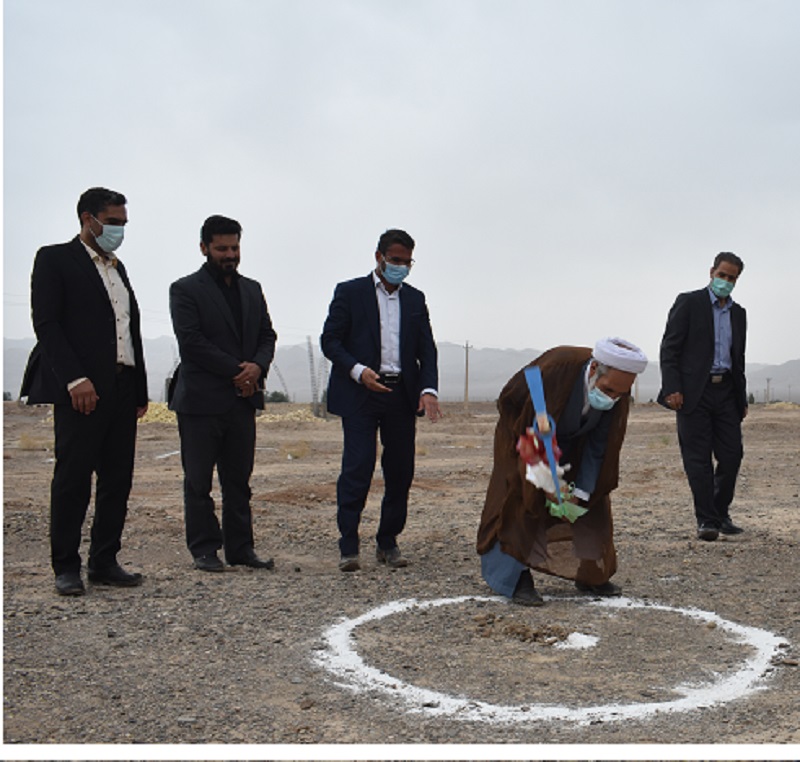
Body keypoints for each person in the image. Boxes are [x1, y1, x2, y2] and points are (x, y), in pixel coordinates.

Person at [20, 187, 149, 596]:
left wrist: (140, 390)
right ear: (87, 218)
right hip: (82, 389)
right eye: (112, 223)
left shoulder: (118, 268)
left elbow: (129, 330)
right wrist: (74, 378)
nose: (118, 231)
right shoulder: (55, 259)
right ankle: (66, 566)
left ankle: (104, 561)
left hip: (122, 387)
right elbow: (48, 325)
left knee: (117, 480)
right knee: (73, 479)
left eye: (123, 224)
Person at [476, 338, 648, 606]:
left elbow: (599, 448)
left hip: (574, 439)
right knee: (521, 494)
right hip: (521, 431)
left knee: (592, 499)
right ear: (593, 370)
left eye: (619, 394)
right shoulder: (556, 372)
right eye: (608, 390)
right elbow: (532, 440)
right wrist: (547, 484)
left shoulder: (617, 394)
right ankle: (513, 576)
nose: (612, 398)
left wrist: (580, 492)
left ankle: (591, 574)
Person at [321, 228, 442, 572]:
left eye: (407, 262)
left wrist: (428, 390)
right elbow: (330, 341)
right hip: (360, 392)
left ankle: (388, 541)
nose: (400, 267)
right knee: (358, 467)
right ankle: (349, 545)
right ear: (379, 257)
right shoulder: (350, 292)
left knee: (400, 470)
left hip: (400, 395)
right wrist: (359, 371)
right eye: (395, 260)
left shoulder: (415, 300)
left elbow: (426, 350)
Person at [168, 215, 277, 572]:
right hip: (200, 401)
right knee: (199, 482)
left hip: (242, 401)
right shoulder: (185, 290)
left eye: (235, 247)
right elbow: (192, 342)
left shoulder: (252, 288)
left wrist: (257, 368)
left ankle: (241, 549)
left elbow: (267, 336)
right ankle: (204, 549)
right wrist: (238, 371)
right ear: (204, 248)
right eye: (222, 248)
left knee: (238, 481)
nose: (230, 254)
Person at [658, 252, 748, 541]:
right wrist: (672, 387)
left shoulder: (738, 314)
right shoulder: (689, 302)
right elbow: (669, 349)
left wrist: (741, 397)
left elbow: (738, 358)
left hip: (726, 393)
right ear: (712, 272)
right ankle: (706, 520)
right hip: (692, 392)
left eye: (731, 278)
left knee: (732, 455)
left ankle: (720, 513)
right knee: (698, 459)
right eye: (722, 275)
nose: (725, 281)